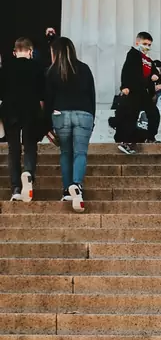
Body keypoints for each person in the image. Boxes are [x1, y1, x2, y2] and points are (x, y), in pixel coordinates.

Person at [45, 37, 96, 212]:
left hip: (60, 114)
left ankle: (67, 190)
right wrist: (92, 118)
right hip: (84, 114)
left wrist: (47, 125)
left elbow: (48, 100)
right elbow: (92, 96)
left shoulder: (52, 72)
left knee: (66, 152)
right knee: (80, 153)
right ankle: (77, 186)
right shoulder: (84, 68)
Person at [0, 38, 45, 202]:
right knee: (30, 145)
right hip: (30, 110)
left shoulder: (6, 68)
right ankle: (28, 174)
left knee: (13, 149)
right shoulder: (37, 67)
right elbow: (42, 94)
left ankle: (16, 188)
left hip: (10, 111)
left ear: (14, 52)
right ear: (30, 51)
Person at [114, 31, 161, 154]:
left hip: (143, 92)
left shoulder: (148, 60)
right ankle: (126, 142)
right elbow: (126, 70)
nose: (147, 47)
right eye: (145, 43)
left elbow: (155, 71)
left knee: (153, 113)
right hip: (133, 90)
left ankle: (150, 137)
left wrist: (156, 76)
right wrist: (124, 86)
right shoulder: (133, 55)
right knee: (130, 116)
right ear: (137, 42)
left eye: (149, 45)